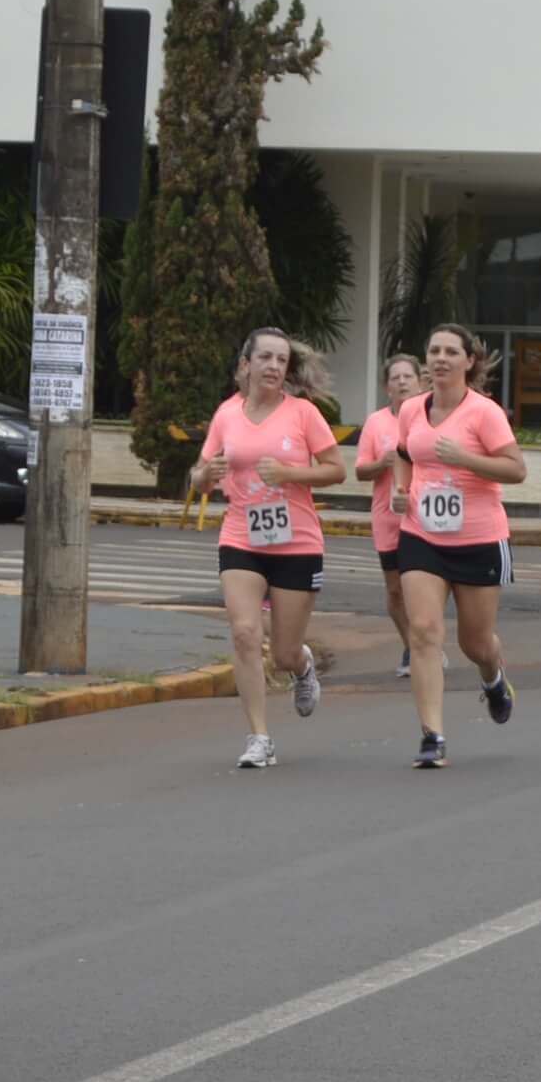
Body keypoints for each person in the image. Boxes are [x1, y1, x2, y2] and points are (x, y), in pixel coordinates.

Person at [192, 328, 346, 769]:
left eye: (282, 360)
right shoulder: (227, 415)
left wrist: (290, 474)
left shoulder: (303, 414)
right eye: (266, 358)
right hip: (241, 535)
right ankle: (259, 737)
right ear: (246, 365)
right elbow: (200, 473)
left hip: (297, 541)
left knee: (282, 652)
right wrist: (202, 477)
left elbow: (336, 470)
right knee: (244, 634)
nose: (275, 366)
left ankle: (301, 667)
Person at [391, 324, 526, 769]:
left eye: (451, 351)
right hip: (421, 534)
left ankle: (493, 678)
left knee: (476, 642)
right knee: (425, 631)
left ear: (469, 361)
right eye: (434, 351)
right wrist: (401, 488)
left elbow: (515, 469)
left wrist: (465, 459)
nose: (441, 359)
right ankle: (433, 735)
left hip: (479, 539)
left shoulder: (484, 413)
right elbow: (404, 452)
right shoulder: (412, 409)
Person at [355, 353, 425, 677]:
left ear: (420, 382)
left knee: (422, 586)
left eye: (407, 377)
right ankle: (412, 645)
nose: (402, 383)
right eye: (395, 378)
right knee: (395, 589)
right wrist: (381, 462)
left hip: (424, 516)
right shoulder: (376, 422)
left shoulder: (429, 417)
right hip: (387, 517)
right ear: (387, 387)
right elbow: (360, 471)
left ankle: (427, 644)